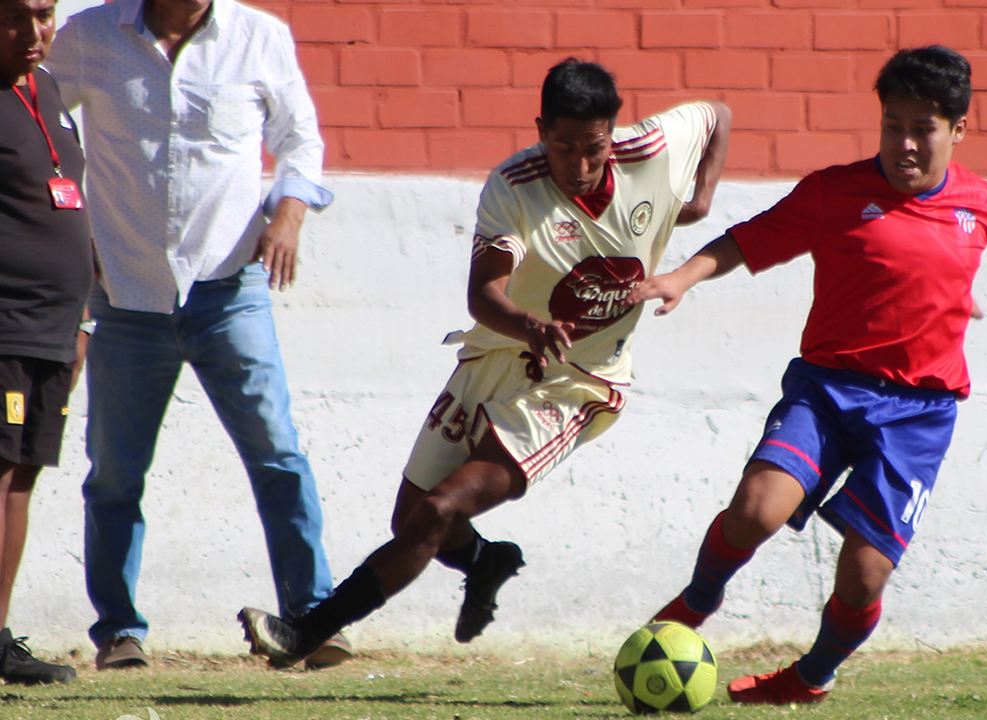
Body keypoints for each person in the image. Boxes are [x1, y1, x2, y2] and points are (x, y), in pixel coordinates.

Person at [238, 58, 732, 667]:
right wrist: (529, 326)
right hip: (497, 355)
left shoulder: (652, 149)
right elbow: (482, 294)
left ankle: (306, 633)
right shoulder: (514, 185)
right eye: (564, 148)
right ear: (540, 131)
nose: (580, 166)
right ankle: (486, 560)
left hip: (576, 385)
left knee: (439, 510)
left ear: (614, 132)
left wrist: (701, 199)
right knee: (411, 519)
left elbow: (717, 116)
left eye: (594, 149)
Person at [627, 46, 987, 705]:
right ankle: (698, 599)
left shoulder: (984, 205)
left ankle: (810, 677)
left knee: (864, 575)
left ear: (959, 129)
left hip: (918, 413)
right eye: (893, 126)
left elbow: (939, 263)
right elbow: (749, 237)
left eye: (923, 129)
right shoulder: (834, 193)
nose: (905, 143)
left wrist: (952, 298)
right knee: (755, 510)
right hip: (828, 390)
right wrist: (682, 277)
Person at [45, 0, 349, 671]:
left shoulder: (258, 36)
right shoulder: (90, 36)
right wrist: (67, 229)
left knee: (278, 456)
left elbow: (300, 140)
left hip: (229, 288)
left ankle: (314, 618)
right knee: (115, 475)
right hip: (126, 293)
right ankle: (119, 633)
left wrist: (289, 214)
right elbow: (38, 122)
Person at [0, 0, 92, 686]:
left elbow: (68, 200)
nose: (34, 33)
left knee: (22, 478)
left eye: (44, 14)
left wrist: (82, 319)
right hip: (6, 327)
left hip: (55, 329)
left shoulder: (47, 88)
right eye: (13, 17)